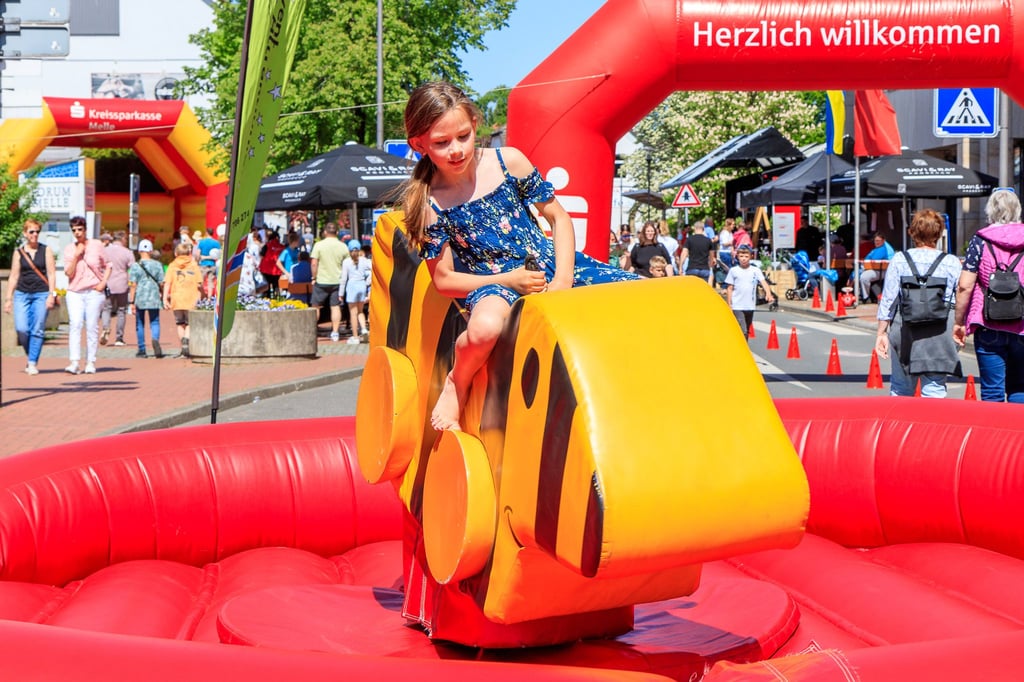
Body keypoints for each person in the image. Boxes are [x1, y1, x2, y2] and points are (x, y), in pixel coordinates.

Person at [400, 81, 637, 431]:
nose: (456, 150)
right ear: (419, 145)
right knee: (484, 330)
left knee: (638, 293)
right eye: (441, 143)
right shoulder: (430, 203)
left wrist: (562, 281)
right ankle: (457, 382)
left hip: (547, 266)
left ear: (475, 126)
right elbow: (445, 280)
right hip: (492, 283)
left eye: (463, 136)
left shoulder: (508, 161)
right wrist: (509, 280)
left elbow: (559, 218)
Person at [875, 209, 962, 397]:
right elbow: (960, 297)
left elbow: (889, 299)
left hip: (905, 328)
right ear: (938, 233)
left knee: (901, 388)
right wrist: (961, 324)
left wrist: (882, 332)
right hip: (940, 330)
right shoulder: (951, 262)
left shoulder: (900, 260)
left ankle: (901, 417)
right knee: (935, 389)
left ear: (912, 232)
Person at [953, 188, 1024, 402]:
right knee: (1020, 387)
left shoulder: (980, 241)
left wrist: (959, 322)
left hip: (987, 322)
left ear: (990, 210)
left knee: (992, 392)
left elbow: (965, 286)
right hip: (1022, 324)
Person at [4, 219, 56, 375]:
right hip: (22, 293)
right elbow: (14, 276)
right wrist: (8, 299)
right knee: (22, 329)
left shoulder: (46, 250)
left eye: (37, 231)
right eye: (31, 232)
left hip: (41, 293)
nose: (34, 234)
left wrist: (51, 294)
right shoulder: (19, 252)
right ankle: (31, 353)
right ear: (25, 233)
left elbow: (51, 274)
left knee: (37, 329)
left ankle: (32, 361)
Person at [63, 215, 111, 375]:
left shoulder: (96, 245)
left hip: (93, 291)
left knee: (91, 326)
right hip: (75, 292)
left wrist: (103, 282)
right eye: (74, 230)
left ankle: (90, 362)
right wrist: (76, 256)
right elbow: (68, 273)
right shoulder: (69, 249)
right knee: (75, 324)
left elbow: (108, 264)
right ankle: (74, 362)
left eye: (80, 229)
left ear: (85, 229)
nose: (77, 233)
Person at [310, 222, 350, 341]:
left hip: (321, 280)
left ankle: (312, 331)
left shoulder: (318, 245)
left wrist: (314, 277)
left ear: (325, 232)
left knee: (316, 306)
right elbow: (348, 263)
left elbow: (314, 263)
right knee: (335, 307)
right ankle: (335, 332)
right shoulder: (343, 246)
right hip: (337, 281)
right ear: (337, 232)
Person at [163, 242, 203, 358]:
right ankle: (186, 339)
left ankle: (183, 347)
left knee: (180, 323)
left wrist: (165, 299)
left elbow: (167, 283)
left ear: (176, 253)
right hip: (191, 298)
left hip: (177, 298)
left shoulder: (172, 265)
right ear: (189, 253)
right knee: (190, 323)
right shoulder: (194, 265)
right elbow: (199, 283)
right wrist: (202, 296)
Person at [726, 244, 774, 340]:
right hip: (737, 305)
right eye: (741, 256)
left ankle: (743, 347)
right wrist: (729, 304)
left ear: (751, 257)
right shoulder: (733, 271)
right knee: (743, 330)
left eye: (746, 256)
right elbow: (730, 288)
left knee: (747, 330)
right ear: (737, 256)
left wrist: (768, 294)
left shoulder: (755, 270)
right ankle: (741, 348)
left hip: (750, 305)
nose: (744, 259)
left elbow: (764, 283)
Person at [128, 239, 165, 358]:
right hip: (154, 295)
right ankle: (155, 339)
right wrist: (162, 293)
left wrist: (131, 301)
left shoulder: (135, 266)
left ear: (139, 251)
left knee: (139, 323)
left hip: (140, 297)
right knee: (155, 321)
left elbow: (133, 284)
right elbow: (162, 282)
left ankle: (142, 349)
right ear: (151, 251)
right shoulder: (158, 265)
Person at [99, 230, 135, 347]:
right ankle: (119, 338)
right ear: (123, 239)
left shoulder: (105, 251)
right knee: (121, 310)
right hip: (122, 284)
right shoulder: (127, 252)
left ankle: (106, 327)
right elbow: (133, 268)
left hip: (107, 283)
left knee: (106, 309)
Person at [340, 239, 372, 345]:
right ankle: (364, 328)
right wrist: (368, 281)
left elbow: (343, 279)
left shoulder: (346, 262)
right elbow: (373, 267)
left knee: (353, 313)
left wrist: (341, 293)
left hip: (352, 287)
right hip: (362, 285)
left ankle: (355, 336)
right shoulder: (364, 260)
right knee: (360, 311)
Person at [859, 232, 895, 302]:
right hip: (874, 269)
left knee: (864, 277)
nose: (876, 242)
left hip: (881, 271)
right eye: (875, 241)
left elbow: (873, 260)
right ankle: (861, 295)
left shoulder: (883, 249)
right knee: (857, 274)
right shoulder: (876, 249)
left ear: (883, 241)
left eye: (878, 241)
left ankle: (866, 297)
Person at [258, 229, 285, 297]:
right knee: (277, 286)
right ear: (277, 237)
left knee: (266, 286)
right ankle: (277, 298)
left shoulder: (267, 245)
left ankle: (266, 299)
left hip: (266, 269)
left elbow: (261, 255)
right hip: (277, 270)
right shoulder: (282, 247)